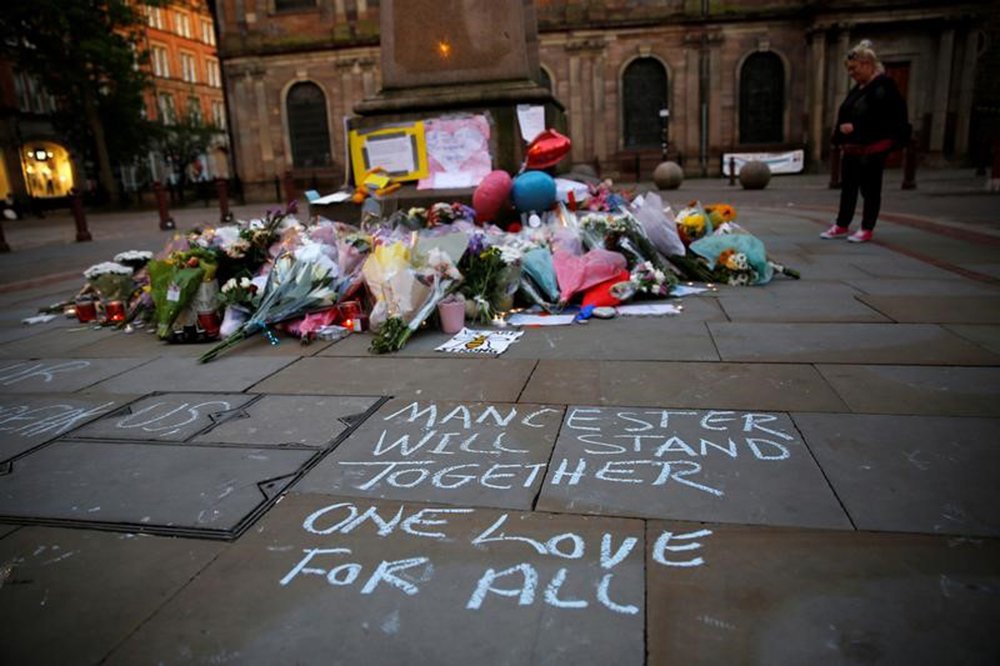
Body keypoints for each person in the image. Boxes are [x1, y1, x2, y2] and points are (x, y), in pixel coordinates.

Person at [821, 40, 910, 243]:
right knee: (848, 188)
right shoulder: (858, 88)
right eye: (849, 69)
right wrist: (841, 132)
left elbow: (888, 118)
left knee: (870, 189)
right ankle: (842, 224)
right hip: (853, 147)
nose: (852, 73)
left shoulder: (884, 87)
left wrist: (858, 127)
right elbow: (846, 112)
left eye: (855, 68)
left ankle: (866, 227)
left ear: (868, 64)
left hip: (873, 147)